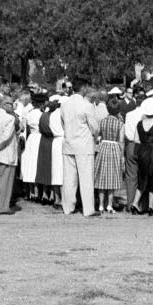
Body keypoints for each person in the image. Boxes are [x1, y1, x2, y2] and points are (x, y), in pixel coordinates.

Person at [59, 82, 98, 217]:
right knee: (86, 178)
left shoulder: (65, 104)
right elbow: (94, 126)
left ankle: (68, 207)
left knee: (69, 178)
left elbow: (62, 123)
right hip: (84, 144)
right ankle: (88, 209)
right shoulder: (87, 105)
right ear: (84, 88)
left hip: (69, 142)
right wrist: (94, 136)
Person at [94, 97, 125, 216]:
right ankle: (110, 204)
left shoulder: (102, 121)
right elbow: (121, 140)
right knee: (112, 177)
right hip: (114, 148)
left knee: (102, 177)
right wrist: (122, 156)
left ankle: (101, 204)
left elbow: (97, 135)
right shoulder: (120, 123)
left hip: (103, 147)